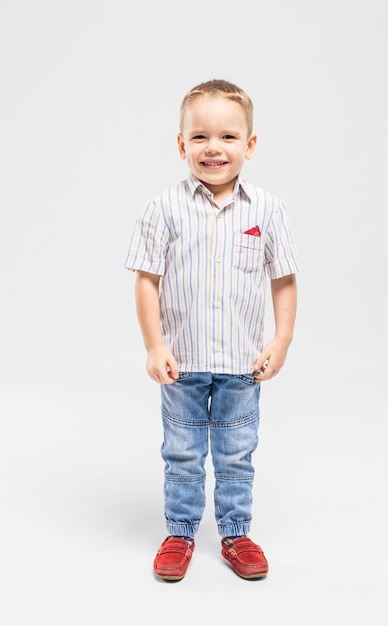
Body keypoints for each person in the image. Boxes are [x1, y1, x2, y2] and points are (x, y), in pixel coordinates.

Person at [125, 79, 299, 581]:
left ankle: (235, 532)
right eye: (199, 137)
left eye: (227, 136)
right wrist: (154, 345)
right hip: (182, 363)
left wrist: (281, 339)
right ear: (182, 145)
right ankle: (179, 532)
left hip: (243, 365)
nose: (213, 148)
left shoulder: (267, 210)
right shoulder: (162, 208)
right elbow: (146, 280)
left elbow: (284, 279)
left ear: (250, 144)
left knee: (236, 453)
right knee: (181, 452)